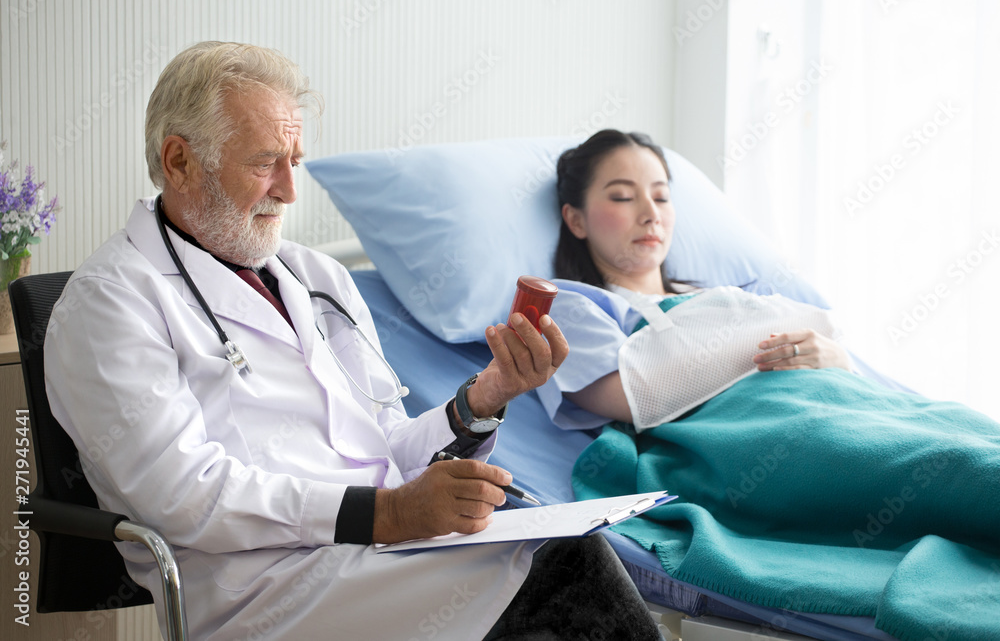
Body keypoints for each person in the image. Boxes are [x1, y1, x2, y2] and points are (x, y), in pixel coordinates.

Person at [43, 45, 660, 640]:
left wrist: (485, 397)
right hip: (262, 591)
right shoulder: (112, 301)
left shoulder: (316, 277)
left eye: (294, 160)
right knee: (565, 572)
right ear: (179, 161)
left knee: (569, 549)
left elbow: (384, 446)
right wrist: (388, 515)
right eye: (264, 162)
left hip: (376, 556)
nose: (289, 189)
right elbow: (180, 494)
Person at [540, 129, 1000, 640]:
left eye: (662, 196)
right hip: (760, 431)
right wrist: (751, 340)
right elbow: (633, 396)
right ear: (575, 219)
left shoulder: (726, 294)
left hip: (845, 399)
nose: (651, 213)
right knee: (950, 463)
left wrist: (835, 357)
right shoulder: (575, 305)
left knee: (966, 432)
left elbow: (825, 339)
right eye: (623, 197)